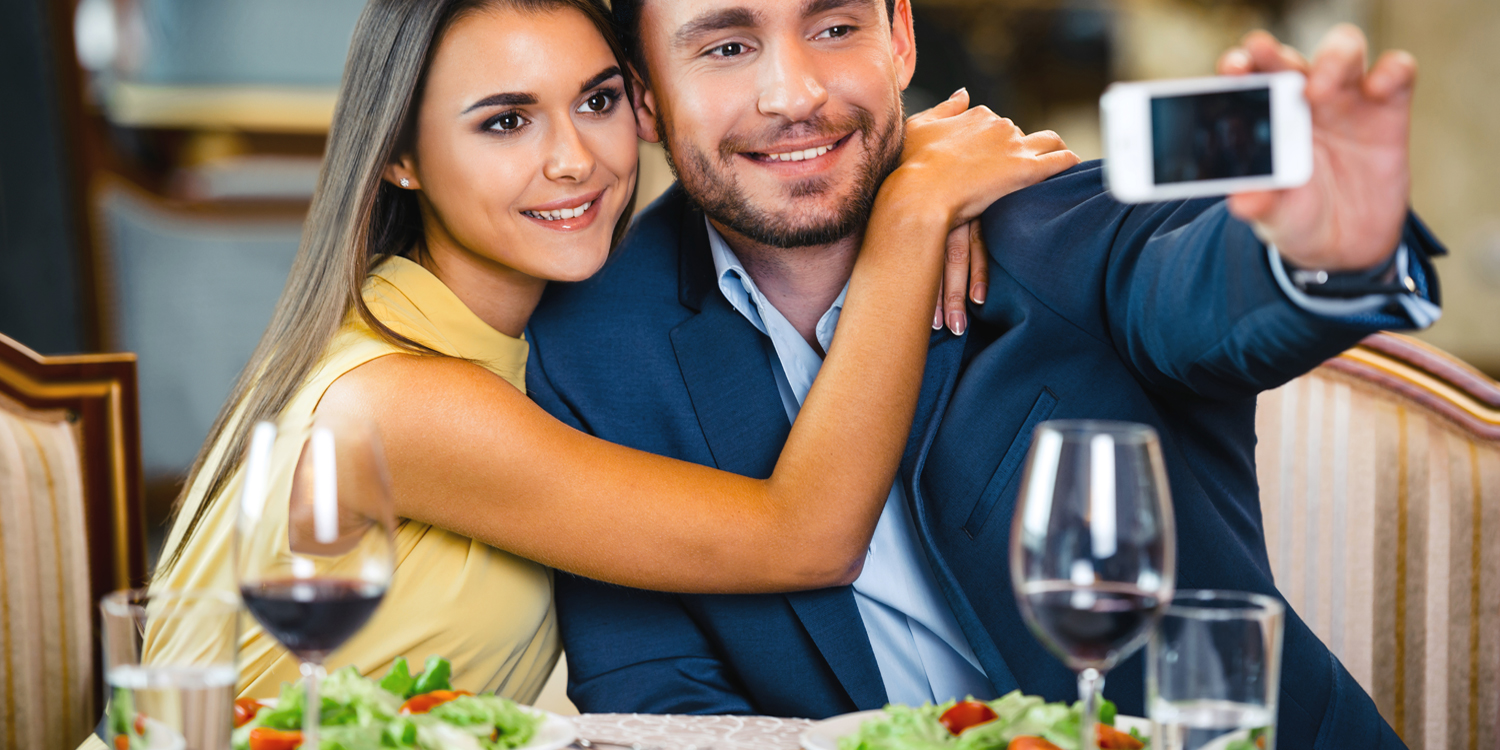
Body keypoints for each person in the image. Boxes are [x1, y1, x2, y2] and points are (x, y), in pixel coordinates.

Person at [527, 0, 1442, 747]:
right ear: (646, 100)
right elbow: (658, 705)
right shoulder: (596, 346)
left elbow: (1200, 292)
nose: (791, 93)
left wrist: (1318, 255)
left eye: (835, 28)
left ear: (902, 38)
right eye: (727, 46)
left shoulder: (1050, 226)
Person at [143, 0, 1076, 704]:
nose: (572, 161)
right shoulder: (397, 401)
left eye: (594, 102)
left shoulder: (539, 349)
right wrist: (910, 219)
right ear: (403, 157)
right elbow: (811, 538)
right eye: (505, 121)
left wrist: (899, 179)